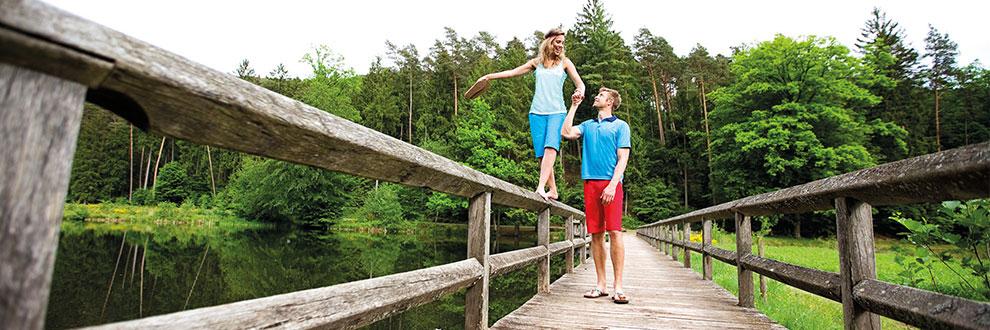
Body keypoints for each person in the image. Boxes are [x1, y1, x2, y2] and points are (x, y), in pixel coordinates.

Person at [475, 28, 585, 200]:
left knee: (551, 147)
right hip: (536, 113)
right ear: (549, 42)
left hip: (557, 112)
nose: (560, 46)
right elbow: (512, 72)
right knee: (541, 154)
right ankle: (553, 190)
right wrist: (489, 76)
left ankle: (540, 187)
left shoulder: (565, 63)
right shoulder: (536, 63)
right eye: (558, 42)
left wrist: (579, 92)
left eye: (562, 43)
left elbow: (580, 84)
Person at [561, 87, 631, 304]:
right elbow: (566, 132)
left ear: (610, 101)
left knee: (615, 232)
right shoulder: (588, 125)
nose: (596, 97)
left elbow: (623, 158)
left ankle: (618, 287)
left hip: (611, 185)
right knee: (596, 235)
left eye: (600, 96)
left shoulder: (621, 126)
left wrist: (612, 185)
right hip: (590, 183)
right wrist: (573, 105)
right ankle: (601, 285)